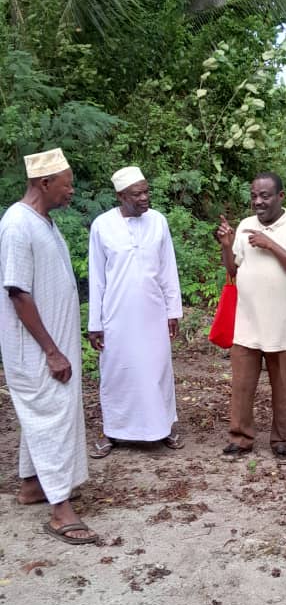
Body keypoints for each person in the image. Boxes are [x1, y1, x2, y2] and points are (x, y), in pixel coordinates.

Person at [0, 148, 97, 545]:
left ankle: (31, 485)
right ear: (44, 183)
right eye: (66, 183)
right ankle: (60, 511)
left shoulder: (45, 222)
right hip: (37, 349)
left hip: (54, 344)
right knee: (51, 416)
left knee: (49, 413)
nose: (71, 190)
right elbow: (18, 292)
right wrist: (51, 350)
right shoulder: (17, 224)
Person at [216, 172, 286, 457]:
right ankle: (240, 438)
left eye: (265, 196)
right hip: (246, 322)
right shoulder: (246, 225)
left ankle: (283, 441)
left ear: (280, 197)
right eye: (254, 196)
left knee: (282, 388)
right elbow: (233, 270)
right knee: (242, 386)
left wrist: (270, 244)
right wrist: (226, 246)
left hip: (282, 324)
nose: (258, 202)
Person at [87, 166, 183, 456]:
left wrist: (173, 310)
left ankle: (164, 427)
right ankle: (113, 431)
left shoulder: (158, 222)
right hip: (116, 315)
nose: (144, 198)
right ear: (120, 196)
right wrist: (95, 323)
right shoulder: (102, 225)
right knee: (118, 372)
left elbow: (168, 268)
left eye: (146, 191)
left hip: (153, 312)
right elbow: (97, 278)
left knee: (157, 369)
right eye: (136, 193)